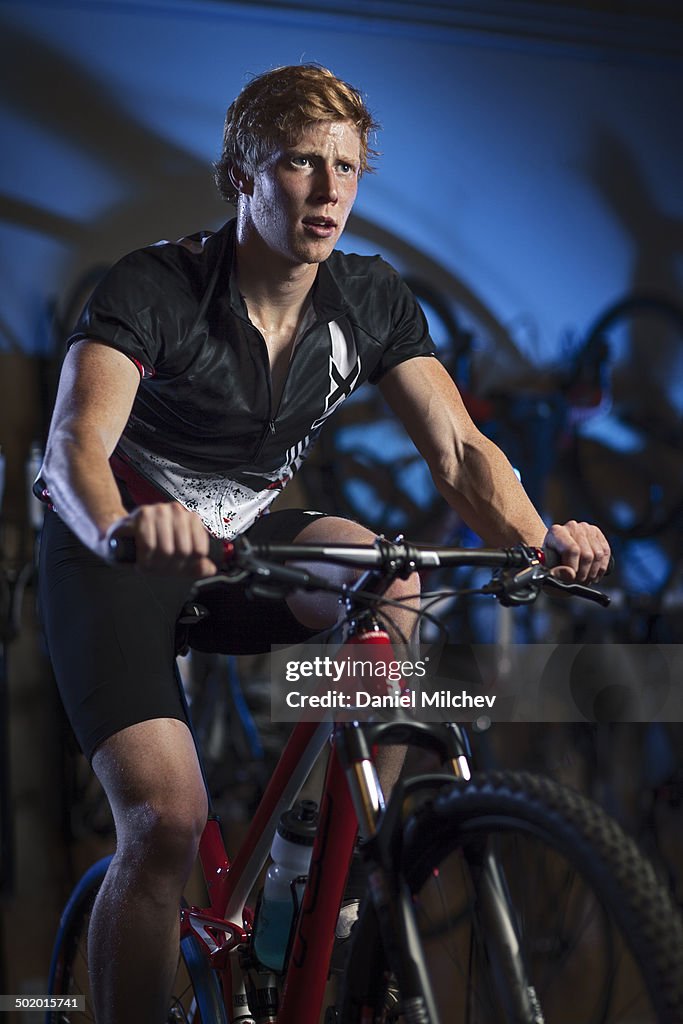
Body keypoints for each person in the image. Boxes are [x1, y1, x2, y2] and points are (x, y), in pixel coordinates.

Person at [38, 64, 611, 1023]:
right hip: (117, 550)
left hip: (238, 535)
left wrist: (538, 539)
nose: (328, 188)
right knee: (166, 822)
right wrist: (122, 527)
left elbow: (461, 450)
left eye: (345, 166)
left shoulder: (371, 298)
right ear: (242, 176)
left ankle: (331, 868)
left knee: (388, 579)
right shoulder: (157, 284)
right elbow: (72, 448)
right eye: (300, 162)